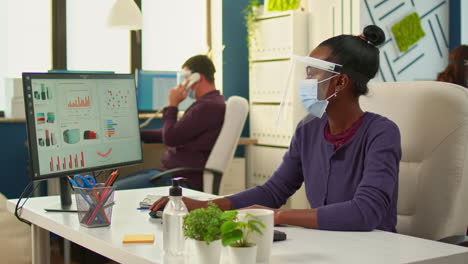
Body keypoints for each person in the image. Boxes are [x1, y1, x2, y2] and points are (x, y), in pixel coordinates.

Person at [151, 25, 402, 232]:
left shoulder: (381, 133)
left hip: (374, 251)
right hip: (328, 247)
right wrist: (206, 206)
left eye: (312, 73)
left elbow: (365, 213)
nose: (305, 81)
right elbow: (273, 190)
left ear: (340, 82)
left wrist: (279, 216)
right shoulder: (309, 129)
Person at [115, 55, 226, 191]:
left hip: (179, 180)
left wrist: (172, 104)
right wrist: (137, 134)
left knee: (112, 191)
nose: (183, 83)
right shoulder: (210, 103)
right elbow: (176, 132)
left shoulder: (207, 106)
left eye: (186, 78)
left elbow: (170, 137)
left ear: (197, 77)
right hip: (171, 174)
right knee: (113, 186)